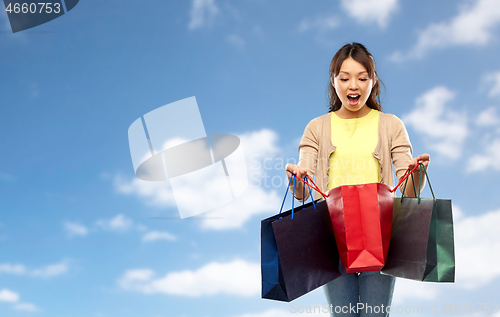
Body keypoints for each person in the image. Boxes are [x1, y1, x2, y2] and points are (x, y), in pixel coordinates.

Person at [285, 42, 430, 317]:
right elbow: (303, 190)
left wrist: (418, 171)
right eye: (345, 78)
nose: (354, 85)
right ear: (334, 81)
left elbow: (408, 190)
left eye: (362, 78)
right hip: (331, 234)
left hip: (380, 232)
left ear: (373, 81)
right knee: (343, 314)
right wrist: (296, 178)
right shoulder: (316, 128)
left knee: (375, 314)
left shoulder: (391, 125)